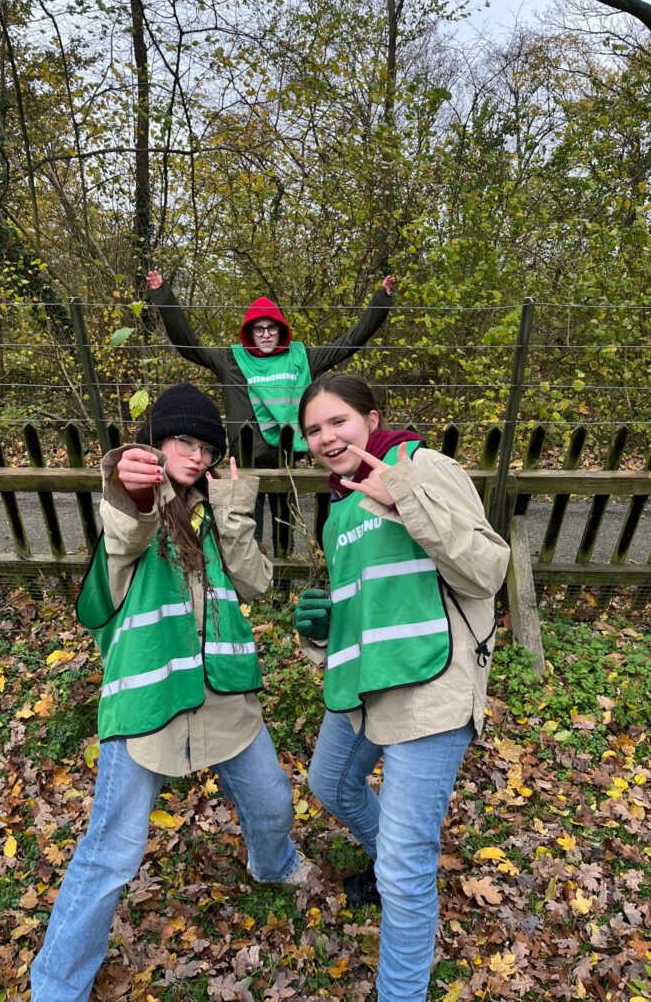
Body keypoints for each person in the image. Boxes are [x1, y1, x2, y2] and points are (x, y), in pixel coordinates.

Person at [31, 383, 313, 1002]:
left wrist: (236, 512)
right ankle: (55, 986)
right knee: (112, 854)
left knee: (273, 808)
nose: (198, 455)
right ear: (154, 442)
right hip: (150, 704)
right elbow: (126, 529)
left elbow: (257, 584)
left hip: (225, 699)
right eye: (183, 440)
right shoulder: (139, 508)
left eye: (207, 446)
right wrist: (128, 487)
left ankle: (273, 865)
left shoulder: (214, 514)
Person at [293, 373, 510, 1002]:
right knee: (330, 783)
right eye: (313, 430)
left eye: (338, 421)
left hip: (433, 687)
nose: (327, 437)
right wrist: (319, 627)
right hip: (368, 687)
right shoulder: (336, 509)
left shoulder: (421, 464)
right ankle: (393, 864)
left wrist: (405, 499)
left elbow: (488, 571)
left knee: (405, 867)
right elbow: (360, 613)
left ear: (370, 418)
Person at [146, 269, 395, 546]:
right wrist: (163, 296)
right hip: (246, 461)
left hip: (286, 459)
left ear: (280, 330)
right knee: (249, 529)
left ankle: (284, 582)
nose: (265, 335)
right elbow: (189, 346)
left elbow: (348, 344)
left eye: (271, 328)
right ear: (250, 333)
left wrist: (380, 302)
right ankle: (255, 587)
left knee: (283, 528)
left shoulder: (301, 358)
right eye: (258, 329)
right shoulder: (232, 360)